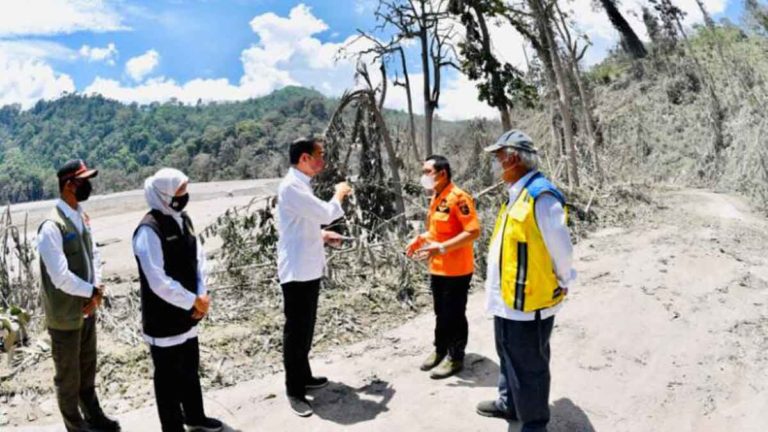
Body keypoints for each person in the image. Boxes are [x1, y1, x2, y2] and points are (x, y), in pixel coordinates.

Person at [475, 130, 576, 432]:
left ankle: (534, 425)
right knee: (506, 355)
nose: (495, 163)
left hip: (530, 301)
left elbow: (562, 248)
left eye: (498, 157)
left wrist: (563, 280)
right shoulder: (515, 193)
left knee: (530, 368)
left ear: (513, 158)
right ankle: (510, 404)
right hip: (508, 299)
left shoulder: (540, 196)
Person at [133, 168, 223, 432]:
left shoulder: (184, 220)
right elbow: (158, 281)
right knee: (167, 380)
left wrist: (202, 294)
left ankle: (195, 416)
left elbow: (199, 259)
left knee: (189, 369)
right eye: (180, 191)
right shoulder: (148, 230)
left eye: (185, 189)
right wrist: (192, 301)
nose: (185, 196)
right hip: (164, 318)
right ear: (164, 194)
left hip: (190, 312)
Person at [37, 159, 120, 432]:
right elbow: (60, 276)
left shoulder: (81, 215)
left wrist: (96, 288)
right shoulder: (51, 226)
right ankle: (76, 426)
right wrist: (92, 291)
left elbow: (93, 254)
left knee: (87, 369)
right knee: (68, 377)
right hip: (65, 316)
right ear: (68, 185)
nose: (88, 185)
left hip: (88, 308)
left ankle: (94, 416)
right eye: (83, 180)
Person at [276, 137, 353, 417]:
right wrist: (340, 193)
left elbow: (297, 224)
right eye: (320, 154)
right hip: (297, 270)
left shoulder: (299, 186)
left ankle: (304, 375)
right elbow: (325, 213)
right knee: (296, 332)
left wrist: (321, 235)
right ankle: (294, 390)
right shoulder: (292, 187)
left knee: (305, 328)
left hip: (307, 267)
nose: (324, 159)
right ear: (304, 158)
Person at [406, 155, 480, 379]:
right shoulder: (438, 197)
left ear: (442, 173)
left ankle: (456, 357)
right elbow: (438, 232)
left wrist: (442, 248)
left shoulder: (459, 198)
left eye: (427, 171)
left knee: (455, 313)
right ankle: (440, 349)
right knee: (440, 312)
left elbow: (473, 231)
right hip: (438, 268)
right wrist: (420, 239)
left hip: (457, 269)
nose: (424, 176)